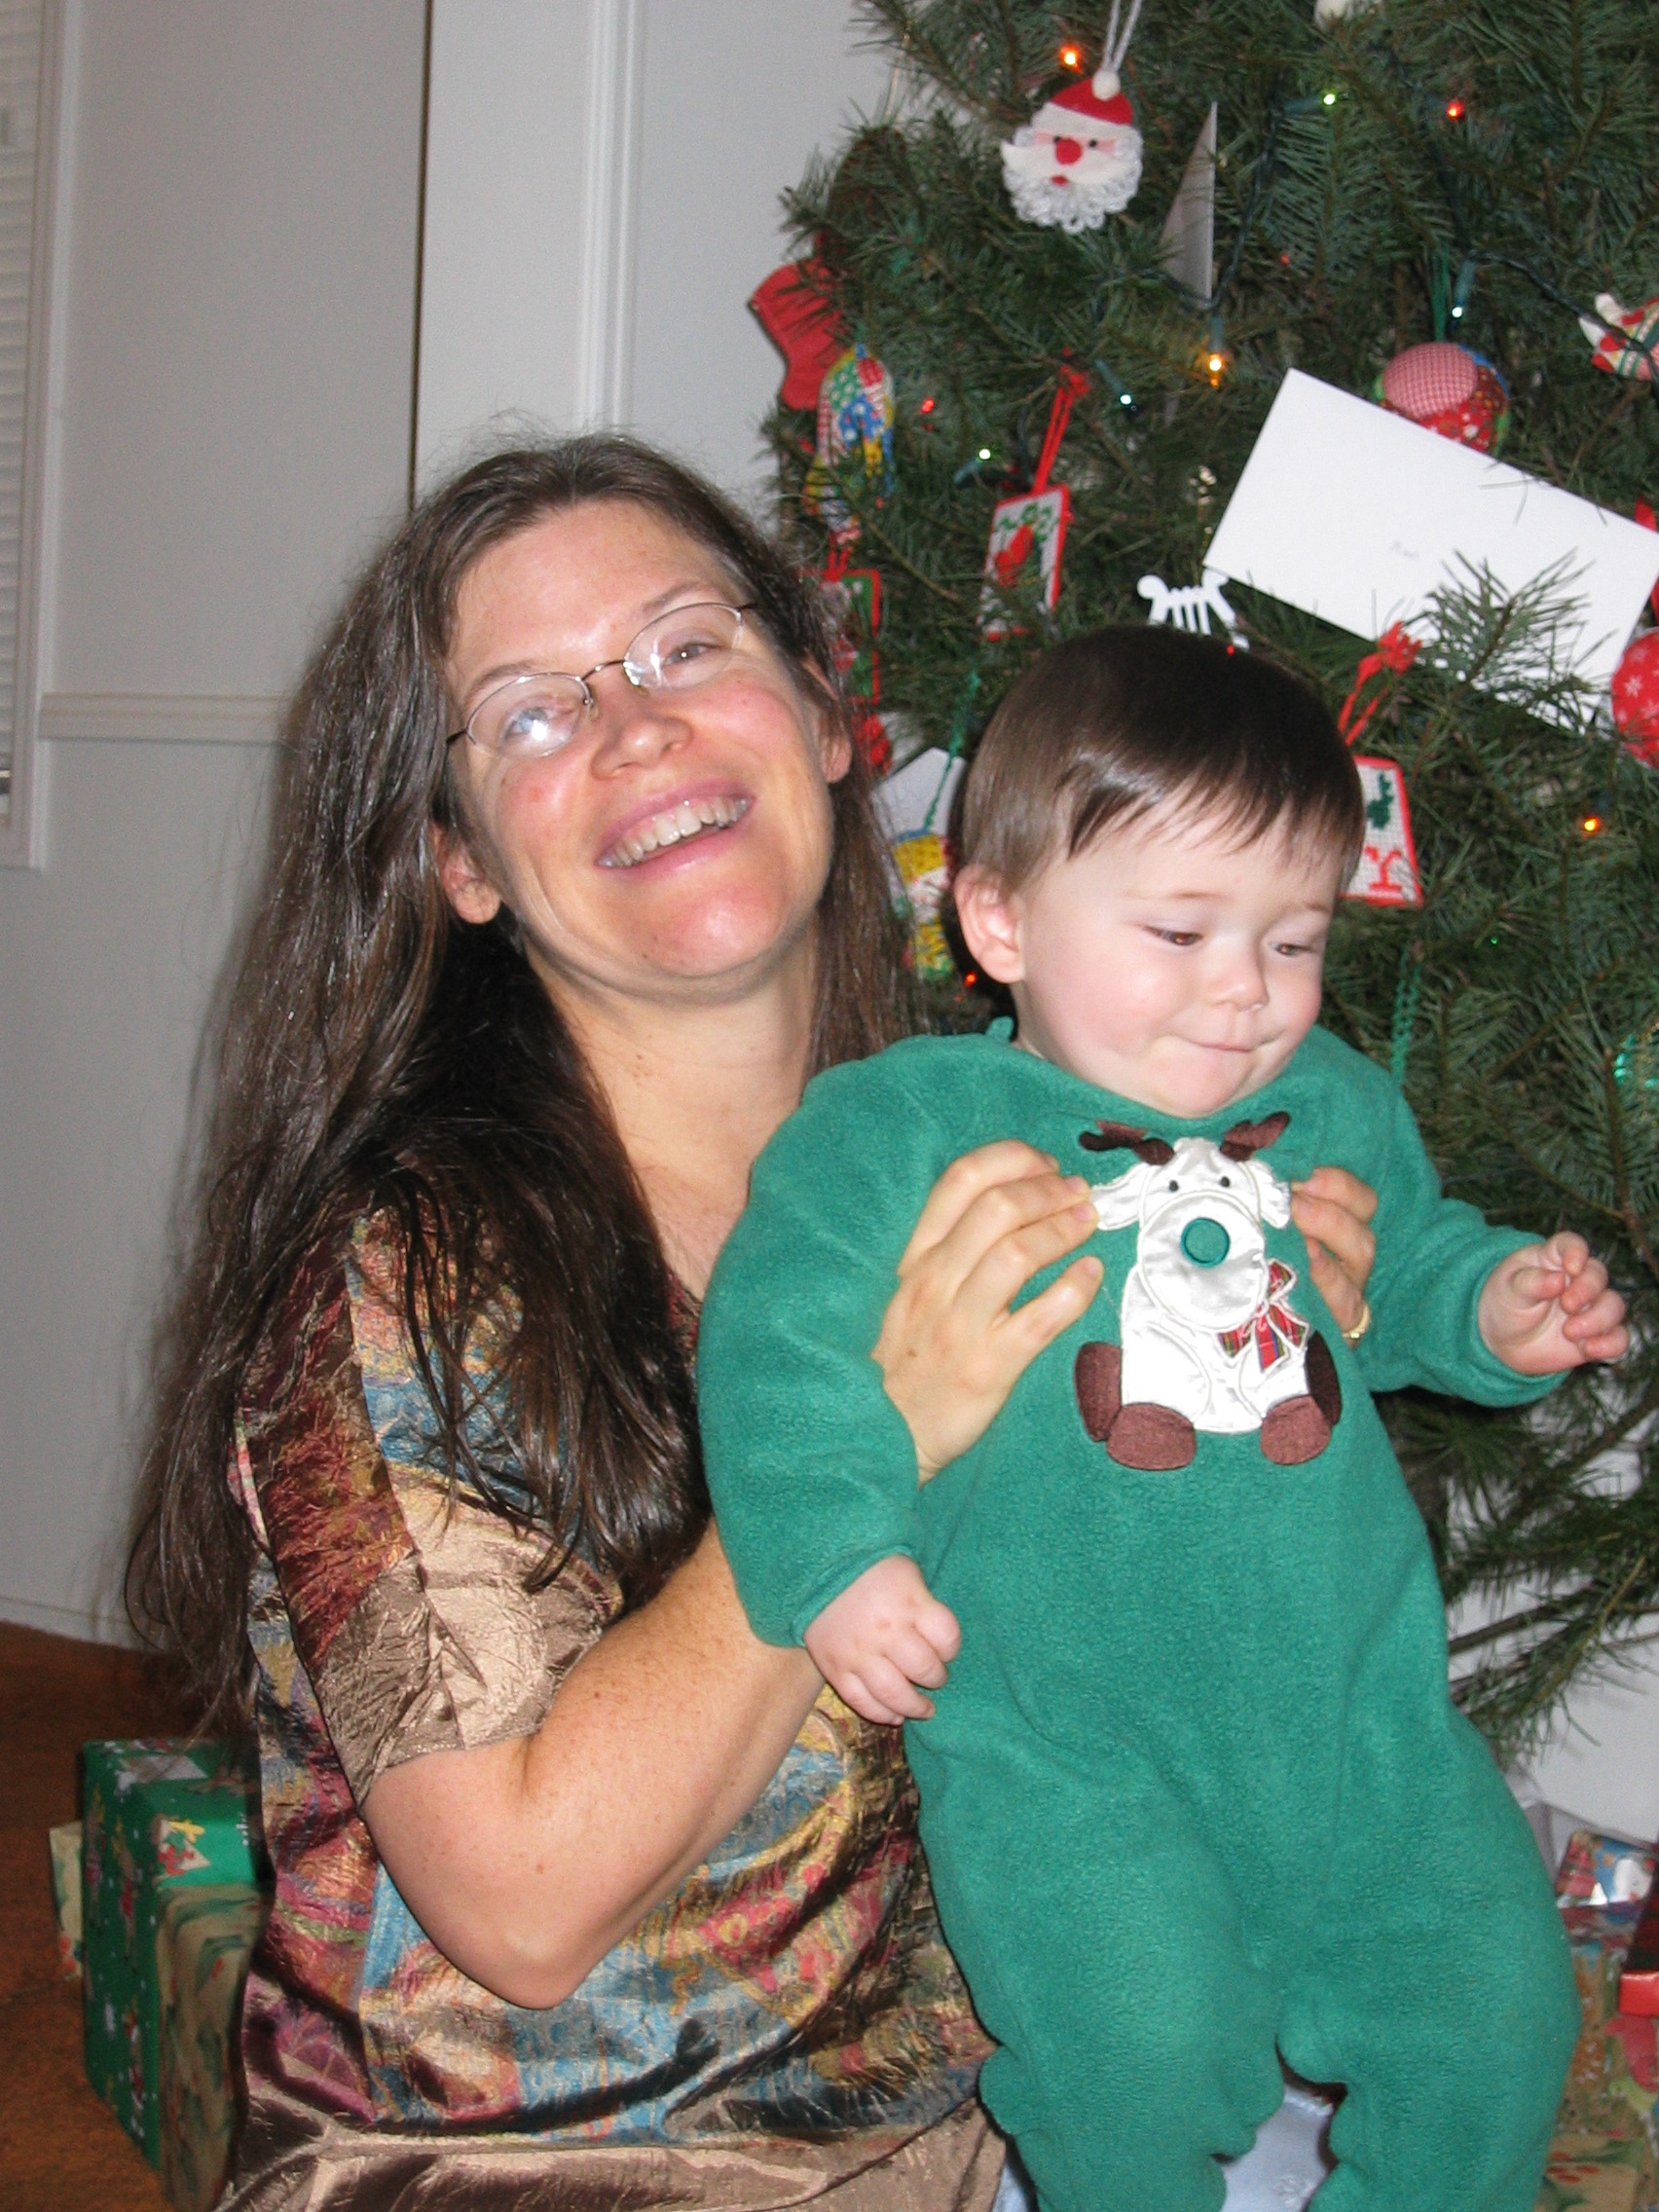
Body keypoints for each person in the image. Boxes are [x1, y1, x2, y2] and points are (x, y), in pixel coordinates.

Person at [129, 446, 1382, 2210]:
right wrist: (880, 1426)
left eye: (685, 648)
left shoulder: (1002, 1150)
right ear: (461, 862)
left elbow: (1154, 1676)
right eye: (533, 712)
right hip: (540, 2171)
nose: (636, 730)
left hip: (991, 2116)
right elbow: (521, 1908)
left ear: (820, 710)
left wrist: (1280, 1364)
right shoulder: (400, 1278)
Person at [698, 630, 1629, 2212]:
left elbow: (1405, 1262)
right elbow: (778, 1348)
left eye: (1294, 938)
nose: (1245, 991)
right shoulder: (898, 1122)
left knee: (1494, 2013)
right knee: (1130, 2055)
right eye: (1182, 931)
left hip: (1360, 1711)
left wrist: (1494, 1315)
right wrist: (838, 1556)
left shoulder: (1331, 1098)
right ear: (1000, 919)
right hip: (1069, 1742)